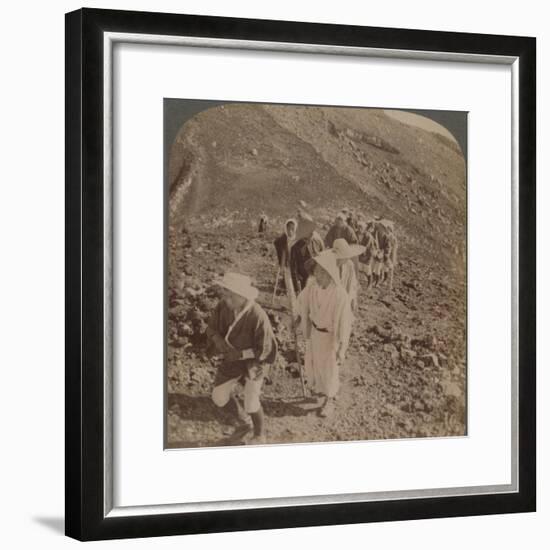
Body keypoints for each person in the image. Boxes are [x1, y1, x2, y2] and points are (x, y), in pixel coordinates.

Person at [206, 272, 278, 445]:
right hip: (231, 358)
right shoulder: (223, 306)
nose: (226, 299)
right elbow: (211, 328)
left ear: (243, 296)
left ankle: (260, 434)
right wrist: (218, 341)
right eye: (225, 294)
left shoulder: (257, 316)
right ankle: (243, 422)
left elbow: (266, 348)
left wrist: (241, 354)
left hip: (254, 361)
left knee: (252, 402)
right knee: (218, 396)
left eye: (230, 296)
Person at [295, 251, 352, 418]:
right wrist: (297, 319)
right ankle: (321, 390)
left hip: (330, 337)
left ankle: (330, 400)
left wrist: (341, 347)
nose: (315, 274)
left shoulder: (340, 295)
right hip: (314, 333)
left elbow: (344, 323)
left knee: (330, 369)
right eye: (315, 270)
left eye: (320, 271)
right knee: (314, 365)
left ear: (328, 273)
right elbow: (301, 304)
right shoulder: (312, 287)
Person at [289, 212, 325, 292]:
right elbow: (293, 269)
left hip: (317, 279)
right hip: (304, 280)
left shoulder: (317, 241)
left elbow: (323, 258)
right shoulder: (295, 247)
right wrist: (296, 287)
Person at [331, 238, 365, 313]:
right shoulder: (330, 266)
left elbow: (352, 284)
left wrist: (353, 300)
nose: (347, 258)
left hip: (344, 300)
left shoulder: (349, 265)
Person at [358, 221, 380, 289]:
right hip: (360, 255)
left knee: (367, 271)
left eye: (361, 228)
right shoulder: (358, 233)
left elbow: (366, 246)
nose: (359, 229)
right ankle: (357, 283)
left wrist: (361, 252)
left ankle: (369, 284)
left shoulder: (368, 236)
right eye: (358, 227)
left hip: (367, 255)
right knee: (358, 269)